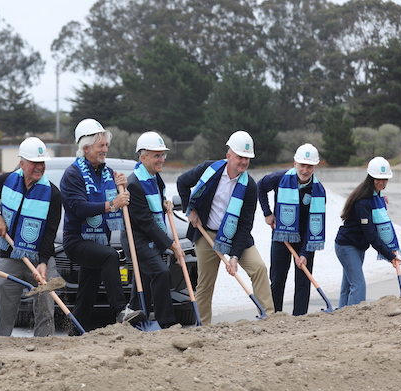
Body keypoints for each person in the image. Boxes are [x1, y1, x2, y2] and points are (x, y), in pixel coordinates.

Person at [177, 131, 275, 324]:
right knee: (205, 284)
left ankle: (268, 319)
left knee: (259, 268)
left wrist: (235, 256)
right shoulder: (209, 169)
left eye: (247, 158)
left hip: (235, 236)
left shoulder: (250, 186)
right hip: (207, 235)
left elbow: (245, 225)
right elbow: (182, 182)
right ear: (229, 155)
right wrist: (191, 210)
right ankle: (204, 326)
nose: (244, 162)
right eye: (240, 157)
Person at [60, 119, 140, 333]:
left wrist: (120, 187)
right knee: (109, 256)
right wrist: (113, 203)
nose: (105, 150)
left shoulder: (107, 172)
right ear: (86, 148)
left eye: (106, 145)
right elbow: (79, 208)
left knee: (87, 294)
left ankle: (75, 333)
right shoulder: (72, 174)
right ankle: (120, 310)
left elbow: (120, 200)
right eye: (100, 146)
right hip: (76, 241)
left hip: (99, 238)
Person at [0, 137, 62, 337]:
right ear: (22, 162)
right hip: (9, 255)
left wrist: (43, 262)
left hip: (39, 256)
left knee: (45, 301)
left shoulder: (53, 193)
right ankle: (1, 343)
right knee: (6, 305)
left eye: (42, 163)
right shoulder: (5, 181)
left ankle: (44, 345)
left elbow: (50, 233)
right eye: (35, 162)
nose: (39, 167)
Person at [124, 131, 185, 328]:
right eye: (157, 155)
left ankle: (133, 321)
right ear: (143, 157)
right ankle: (166, 323)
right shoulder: (134, 184)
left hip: (148, 238)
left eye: (163, 155)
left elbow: (154, 207)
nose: (162, 159)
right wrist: (171, 245)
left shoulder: (155, 178)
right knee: (161, 273)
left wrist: (164, 203)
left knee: (144, 278)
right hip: (138, 240)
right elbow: (145, 222)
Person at [257, 143, 326, 316]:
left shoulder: (318, 191)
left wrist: (304, 253)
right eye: (302, 165)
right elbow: (260, 187)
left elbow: (314, 225)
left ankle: (300, 317)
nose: (305, 169)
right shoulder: (279, 178)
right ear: (295, 162)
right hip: (281, 236)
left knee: (303, 280)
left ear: (315, 166)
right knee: (277, 278)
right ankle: (274, 315)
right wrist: (267, 213)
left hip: (306, 239)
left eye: (309, 166)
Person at [335, 157, 401, 307]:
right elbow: (371, 235)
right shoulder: (363, 202)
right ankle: (354, 318)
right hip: (346, 247)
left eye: (384, 179)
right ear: (370, 177)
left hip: (358, 246)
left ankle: (340, 316)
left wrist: (381, 202)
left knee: (348, 286)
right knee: (358, 285)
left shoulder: (375, 196)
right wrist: (390, 256)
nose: (381, 182)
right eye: (378, 179)